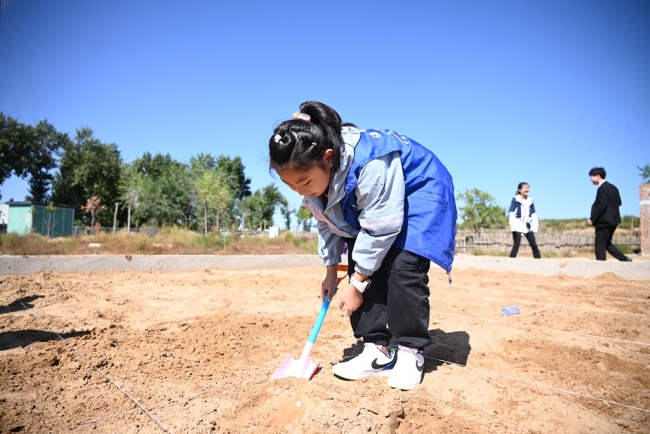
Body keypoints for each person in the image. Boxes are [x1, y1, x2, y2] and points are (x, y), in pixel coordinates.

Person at [268, 101, 457, 390]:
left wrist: (356, 285)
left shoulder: (369, 162)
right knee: (361, 258)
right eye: (292, 186)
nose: (301, 191)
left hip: (420, 188)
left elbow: (382, 228)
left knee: (402, 265)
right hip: (376, 206)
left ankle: (410, 352)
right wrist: (332, 271)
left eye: (304, 182)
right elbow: (327, 223)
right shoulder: (317, 181)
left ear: (328, 158)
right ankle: (376, 350)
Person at [587, 167, 632, 261]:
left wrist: (592, 218)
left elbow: (602, 205)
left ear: (598, 176)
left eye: (591, 176)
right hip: (614, 220)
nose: (590, 179)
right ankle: (624, 259)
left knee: (600, 244)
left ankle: (601, 266)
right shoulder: (614, 188)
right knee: (606, 243)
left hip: (604, 221)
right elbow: (619, 202)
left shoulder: (602, 188)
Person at [508, 182, 541, 258]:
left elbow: (533, 214)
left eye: (528, 188)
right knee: (516, 245)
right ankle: (510, 261)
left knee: (534, 245)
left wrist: (535, 227)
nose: (527, 189)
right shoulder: (515, 200)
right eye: (525, 188)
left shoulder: (530, 201)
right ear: (520, 190)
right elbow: (512, 213)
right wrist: (512, 225)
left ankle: (539, 261)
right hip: (517, 225)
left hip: (527, 226)